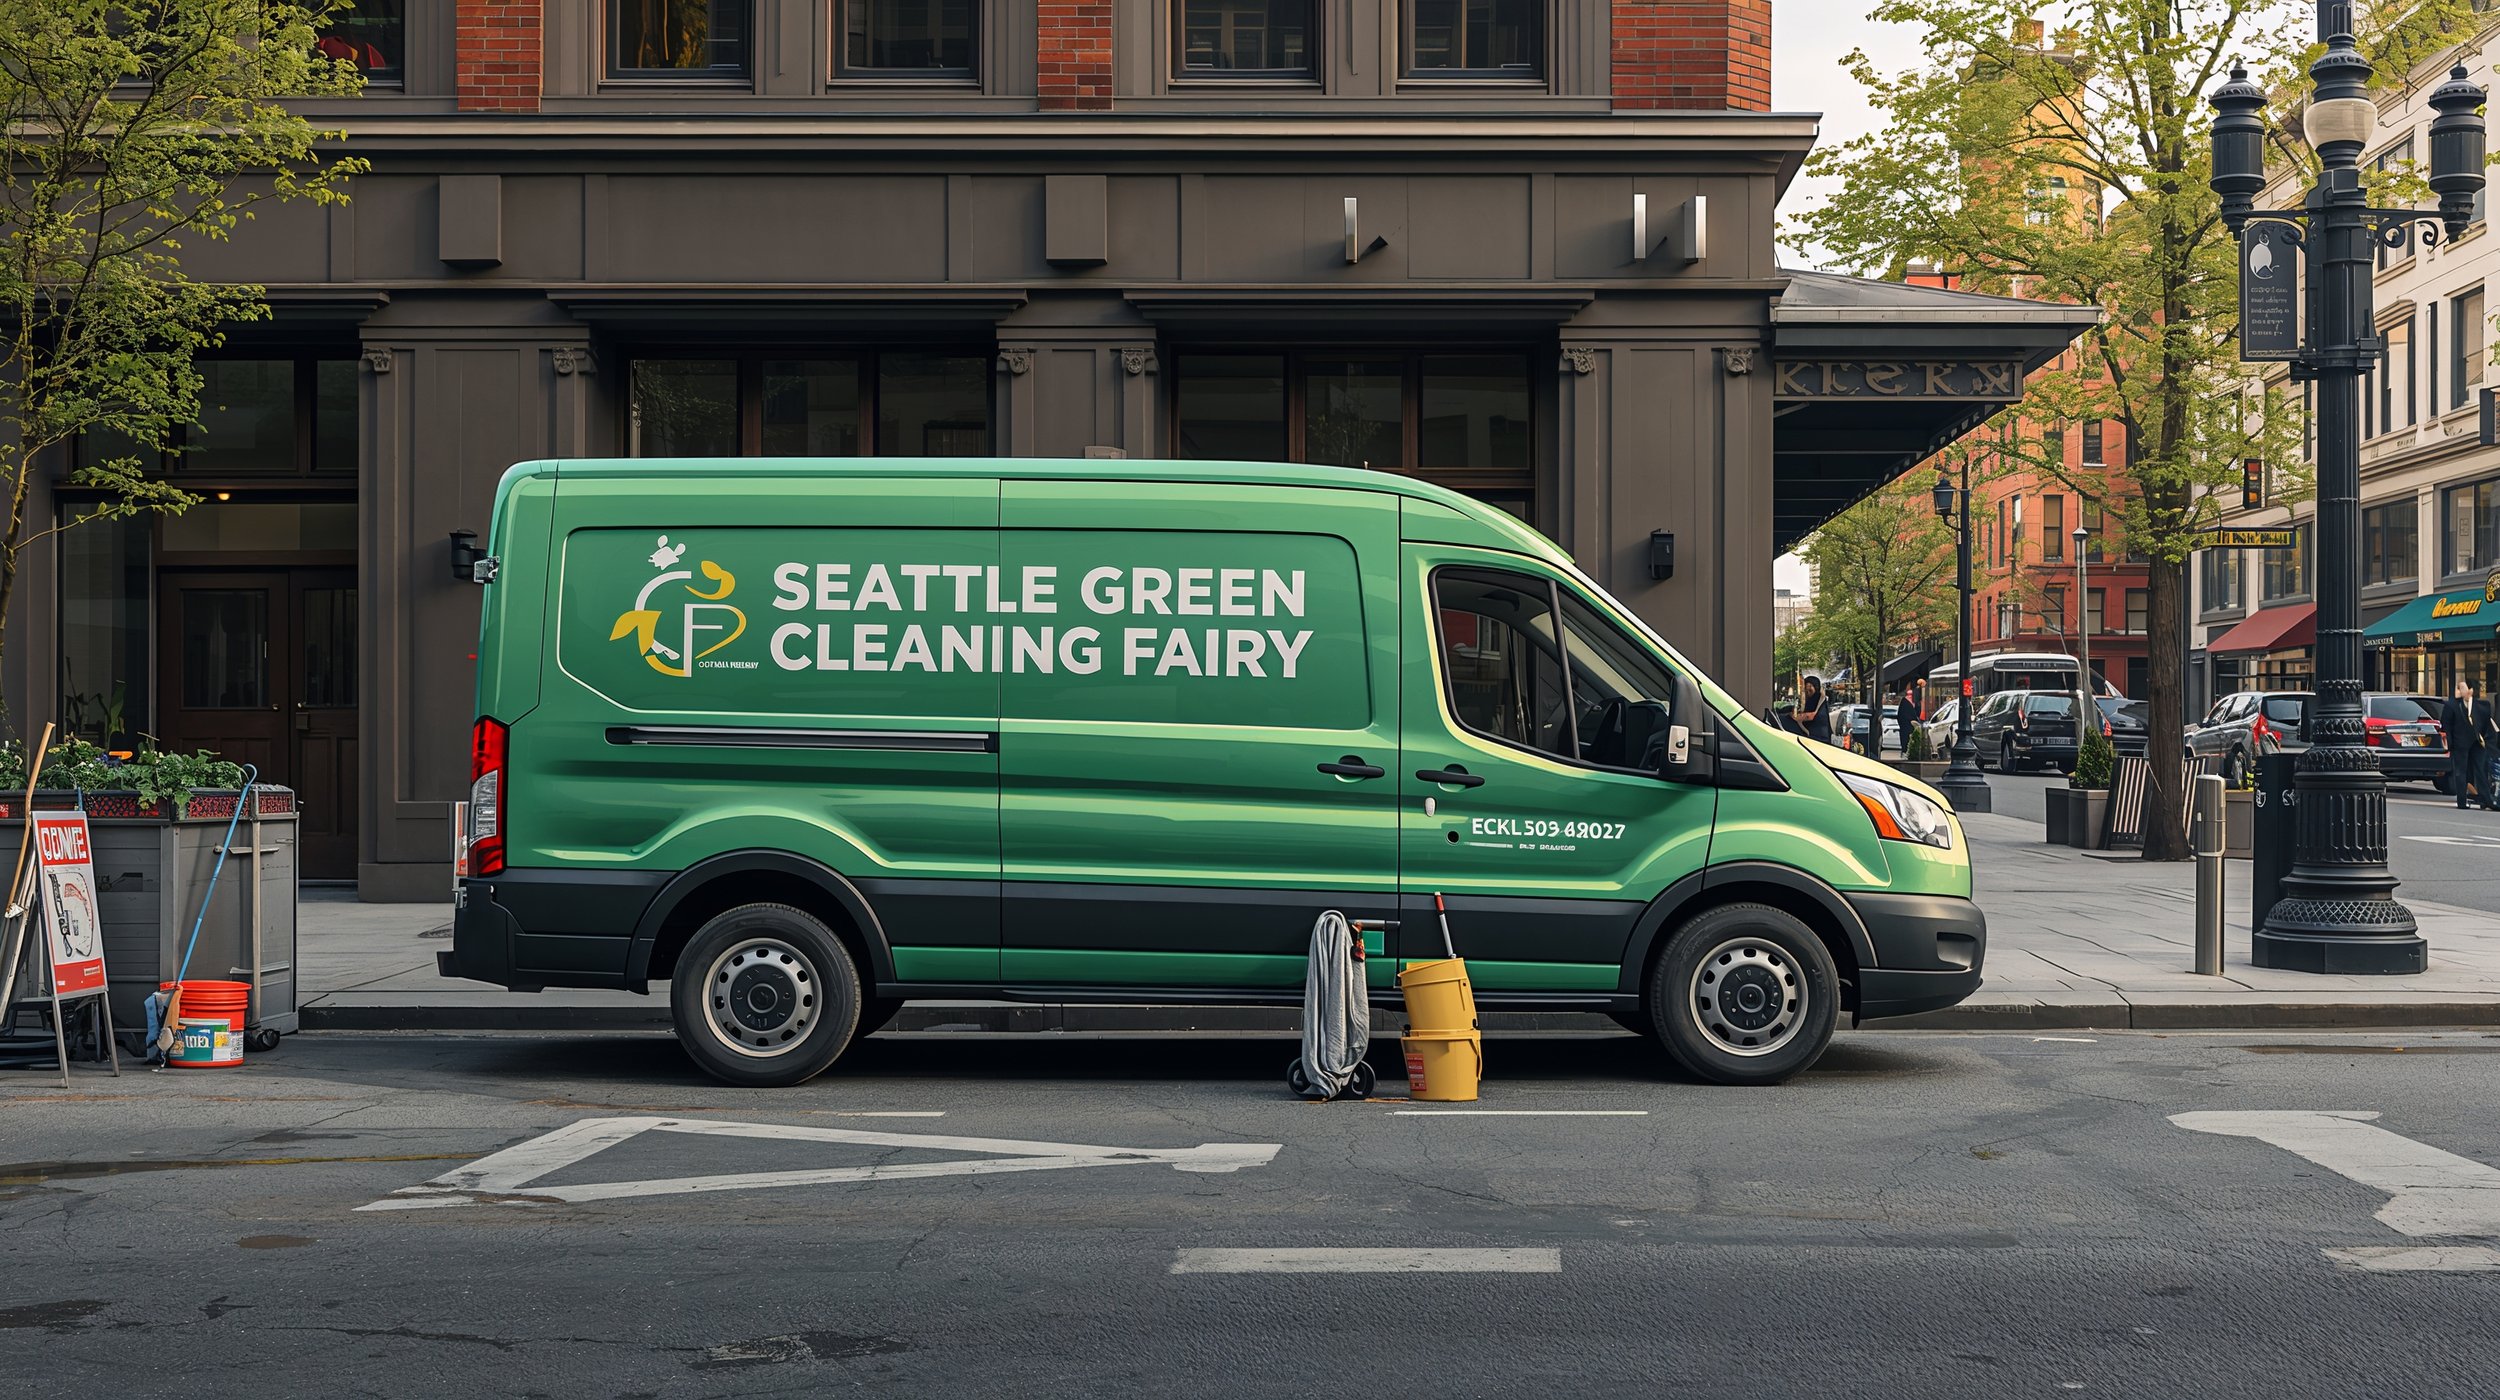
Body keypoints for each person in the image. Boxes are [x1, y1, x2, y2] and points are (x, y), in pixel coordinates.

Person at [2449, 679, 2489, 810]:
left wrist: (2482, 739)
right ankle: (2462, 801)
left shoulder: (2482, 706)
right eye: (2459, 688)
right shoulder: (2452, 705)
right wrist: (2450, 744)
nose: (2460, 691)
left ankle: (2485, 800)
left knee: (2481, 770)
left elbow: (2485, 724)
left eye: (2462, 688)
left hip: (2477, 743)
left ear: (2470, 690)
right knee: (2461, 772)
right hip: (2460, 744)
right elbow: (2447, 725)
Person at [1797, 675, 1831, 746]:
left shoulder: (1816, 698)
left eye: (1810, 690)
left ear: (1816, 688)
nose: (1808, 692)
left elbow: (1810, 716)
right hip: (1818, 737)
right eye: (1806, 690)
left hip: (1818, 738)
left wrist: (1795, 717)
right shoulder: (1817, 699)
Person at [1895, 685, 1920, 755]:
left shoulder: (1905, 701)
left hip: (1907, 725)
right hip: (1908, 725)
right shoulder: (1909, 702)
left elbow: (1900, 716)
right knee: (1908, 739)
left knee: (1907, 739)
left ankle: (1906, 751)